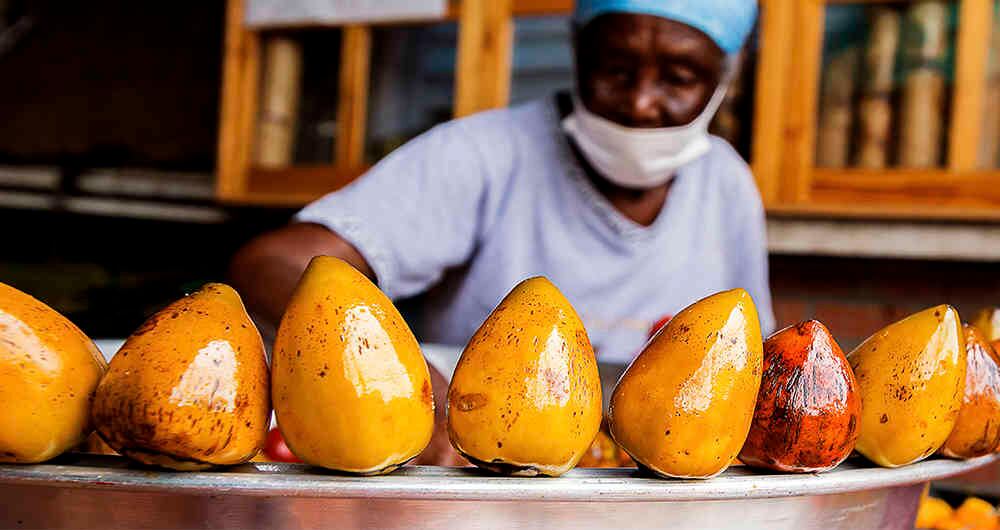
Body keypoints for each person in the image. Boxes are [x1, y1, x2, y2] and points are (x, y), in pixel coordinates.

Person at [230, 0, 773, 465]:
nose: (640, 102)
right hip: (484, 467)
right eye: (615, 69)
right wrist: (399, 371)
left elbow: (750, 368)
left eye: (678, 78)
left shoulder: (726, 185)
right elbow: (273, 263)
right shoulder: (483, 155)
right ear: (576, 52)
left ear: (726, 75)